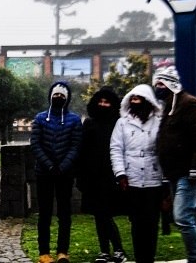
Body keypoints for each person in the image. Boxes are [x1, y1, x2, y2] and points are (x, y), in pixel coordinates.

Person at [152, 66, 196, 263]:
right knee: (183, 216)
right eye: (156, 84)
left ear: (171, 83)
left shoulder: (189, 105)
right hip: (174, 171)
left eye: (161, 83)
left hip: (189, 171)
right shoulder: (169, 107)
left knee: (182, 217)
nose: (158, 88)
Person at [110, 84, 164, 263]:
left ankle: (149, 258)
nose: (135, 102)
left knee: (151, 223)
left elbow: (163, 149)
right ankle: (140, 258)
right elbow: (116, 149)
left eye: (139, 99)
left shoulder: (158, 122)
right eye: (132, 99)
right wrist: (120, 173)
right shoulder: (122, 123)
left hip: (153, 180)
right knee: (137, 223)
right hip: (131, 180)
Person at [30, 81, 82, 263]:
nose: (58, 97)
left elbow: (76, 146)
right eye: (56, 94)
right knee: (44, 213)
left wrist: (63, 165)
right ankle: (44, 253)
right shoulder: (39, 118)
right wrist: (49, 165)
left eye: (62, 95)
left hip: (65, 174)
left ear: (66, 98)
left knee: (64, 213)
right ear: (50, 96)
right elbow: (35, 144)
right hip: (44, 173)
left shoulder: (74, 120)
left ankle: (63, 252)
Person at [76, 86, 127, 263]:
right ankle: (105, 251)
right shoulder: (89, 123)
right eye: (101, 101)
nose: (103, 105)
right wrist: (81, 176)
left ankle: (119, 249)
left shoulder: (119, 123)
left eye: (107, 102)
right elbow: (82, 150)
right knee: (98, 215)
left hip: (111, 175)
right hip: (92, 177)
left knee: (105, 213)